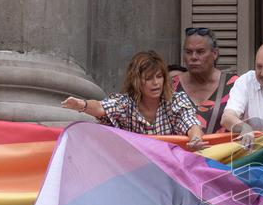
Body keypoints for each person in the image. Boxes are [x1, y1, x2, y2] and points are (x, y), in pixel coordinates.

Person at [62, 50, 207, 150]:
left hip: (172, 172)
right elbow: (101, 107)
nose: (156, 83)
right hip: (136, 175)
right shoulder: (125, 104)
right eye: (149, 78)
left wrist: (195, 139)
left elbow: (190, 122)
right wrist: (82, 104)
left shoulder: (176, 100)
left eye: (159, 76)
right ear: (136, 82)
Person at [174, 26, 240, 133]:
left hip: (224, 149)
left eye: (200, 52)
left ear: (214, 54)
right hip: (179, 150)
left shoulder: (235, 84)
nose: (193, 57)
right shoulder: (171, 86)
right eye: (188, 52)